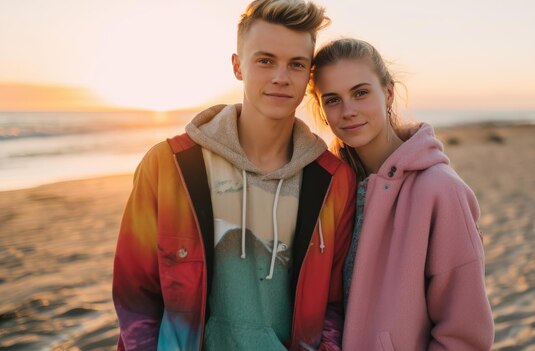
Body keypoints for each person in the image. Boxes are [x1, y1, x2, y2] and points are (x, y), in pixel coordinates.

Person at [112, 1, 356, 350]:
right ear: (237, 66)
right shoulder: (168, 166)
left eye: (296, 64)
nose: (281, 77)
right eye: (265, 60)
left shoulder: (332, 181)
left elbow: (334, 303)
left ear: (308, 76)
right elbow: (134, 295)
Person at [309, 38, 495, 350]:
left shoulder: (440, 190)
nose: (348, 111)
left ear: (389, 93)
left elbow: (464, 334)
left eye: (360, 93)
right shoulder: (327, 190)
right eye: (333, 100)